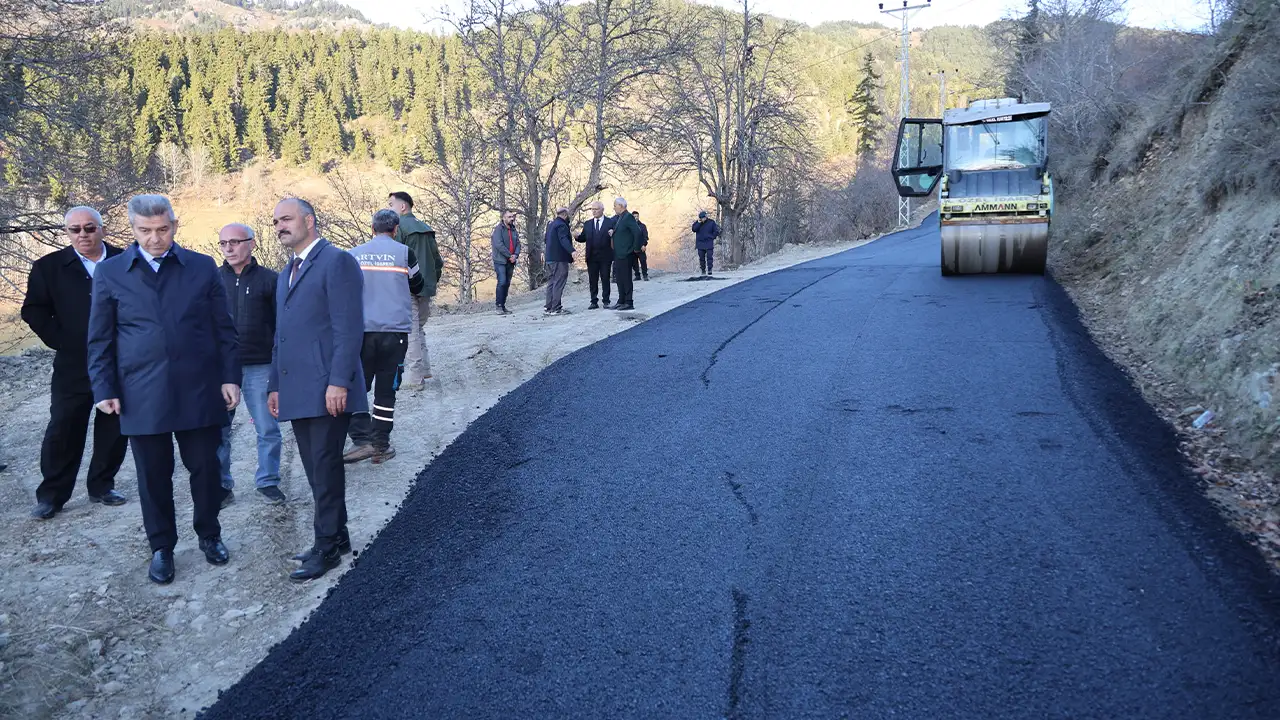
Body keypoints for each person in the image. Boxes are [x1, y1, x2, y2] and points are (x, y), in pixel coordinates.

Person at [87, 194, 239, 585]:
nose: (156, 238)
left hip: (199, 388)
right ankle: (161, 547)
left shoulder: (202, 267)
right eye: (145, 231)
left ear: (174, 224)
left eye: (163, 229)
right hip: (142, 392)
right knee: (153, 476)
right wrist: (104, 387)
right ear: (133, 230)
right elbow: (100, 339)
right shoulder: (111, 273)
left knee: (206, 470)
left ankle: (210, 535)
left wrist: (230, 377)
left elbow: (224, 329)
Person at [267, 197, 366, 582]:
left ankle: (326, 548)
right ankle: (337, 536)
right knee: (314, 469)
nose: (280, 226)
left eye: (286, 219)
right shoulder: (286, 272)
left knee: (324, 469)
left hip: (328, 387)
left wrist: (339, 381)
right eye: (276, 221)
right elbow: (282, 336)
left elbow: (348, 328)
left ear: (309, 220)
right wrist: (275, 385)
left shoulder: (336, 261)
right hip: (297, 388)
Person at [21, 206, 130, 520]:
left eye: (89, 228)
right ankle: (52, 495)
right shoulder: (49, 267)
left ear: (102, 229)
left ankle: (101, 486)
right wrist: (62, 340)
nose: (83, 235)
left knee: (114, 426)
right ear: (67, 233)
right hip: (73, 364)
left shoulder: (126, 261)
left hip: (119, 362)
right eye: (76, 229)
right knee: (64, 428)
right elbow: (34, 310)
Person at [343, 209, 426, 465]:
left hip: (362, 332)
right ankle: (380, 445)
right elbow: (418, 284)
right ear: (396, 229)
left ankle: (361, 440)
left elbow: (343, 289)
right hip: (395, 332)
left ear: (371, 228)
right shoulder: (404, 253)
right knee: (386, 391)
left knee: (358, 388)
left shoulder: (353, 255)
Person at [214, 223, 284, 506]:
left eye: (235, 242)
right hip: (222, 368)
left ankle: (268, 482)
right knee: (219, 430)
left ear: (252, 244)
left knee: (267, 428)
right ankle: (221, 486)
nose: (228, 248)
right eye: (223, 243)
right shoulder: (212, 280)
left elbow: (282, 325)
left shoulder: (271, 280)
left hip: (260, 365)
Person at [387, 192, 443, 385]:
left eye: (391, 204)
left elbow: (394, 258)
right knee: (418, 328)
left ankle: (415, 377)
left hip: (406, 286)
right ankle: (425, 370)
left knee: (410, 331)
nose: (389, 208)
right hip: (426, 286)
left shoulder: (398, 228)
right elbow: (437, 261)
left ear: (403, 207)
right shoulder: (425, 228)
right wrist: (431, 282)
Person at [575, 201, 615, 309]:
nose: (594, 211)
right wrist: (577, 237)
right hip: (591, 257)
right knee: (592, 280)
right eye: (592, 209)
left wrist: (613, 233)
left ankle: (606, 300)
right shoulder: (588, 224)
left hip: (605, 256)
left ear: (602, 209)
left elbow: (615, 237)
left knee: (605, 278)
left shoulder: (609, 222)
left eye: (596, 209)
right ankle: (594, 301)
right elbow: (584, 237)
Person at [609, 197, 643, 311]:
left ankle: (629, 302)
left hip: (626, 253)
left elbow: (637, 232)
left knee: (626, 278)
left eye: (615, 206)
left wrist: (635, 248)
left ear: (621, 206)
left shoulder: (628, 217)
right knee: (619, 278)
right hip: (618, 254)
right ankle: (621, 300)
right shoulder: (620, 218)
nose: (614, 208)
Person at [543, 207, 573, 315]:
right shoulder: (561, 225)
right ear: (565, 214)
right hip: (559, 259)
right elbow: (563, 239)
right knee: (559, 281)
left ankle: (548, 307)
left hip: (549, 258)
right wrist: (572, 251)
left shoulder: (550, 225)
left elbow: (545, 239)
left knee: (551, 282)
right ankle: (556, 308)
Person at [490, 209, 520, 315]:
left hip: (511, 261)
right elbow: (499, 245)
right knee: (502, 282)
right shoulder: (498, 230)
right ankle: (498, 306)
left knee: (507, 283)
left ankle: (503, 306)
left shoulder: (513, 230)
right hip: (500, 260)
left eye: (512, 217)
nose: (512, 219)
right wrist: (509, 256)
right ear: (504, 218)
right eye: (509, 217)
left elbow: (518, 244)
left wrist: (515, 255)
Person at [693, 210, 721, 276]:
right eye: (701, 218)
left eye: (704, 217)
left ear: (706, 217)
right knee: (701, 259)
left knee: (709, 258)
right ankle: (703, 271)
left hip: (709, 243)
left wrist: (712, 237)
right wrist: (699, 223)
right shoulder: (697, 223)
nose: (703, 219)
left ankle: (710, 270)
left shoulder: (711, 222)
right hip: (700, 244)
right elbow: (694, 229)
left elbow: (716, 231)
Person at [630, 210, 650, 282]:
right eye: (634, 216)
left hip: (641, 247)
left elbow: (645, 236)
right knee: (634, 262)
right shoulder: (629, 226)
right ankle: (637, 275)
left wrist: (644, 244)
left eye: (637, 216)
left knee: (643, 261)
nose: (636, 218)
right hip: (632, 247)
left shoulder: (642, 226)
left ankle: (645, 275)